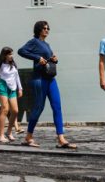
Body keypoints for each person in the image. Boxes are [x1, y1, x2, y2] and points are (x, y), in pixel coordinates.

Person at [18, 20, 76, 149]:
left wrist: (54, 59)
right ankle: (28, 137)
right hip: (39, 79)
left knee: (57, 107)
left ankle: (61, 139)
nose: (47, 30)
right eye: (45, 28)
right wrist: (37, 58)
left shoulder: (47, 44)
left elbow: (47, 60)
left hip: (50, 79)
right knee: (38, 108)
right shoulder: (34, 42)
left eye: (48, 28)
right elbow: (21, 51)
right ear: (39, 29)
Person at [0, 47, 23, 143]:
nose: (11, 56)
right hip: (3, 86)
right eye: (9, 54)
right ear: (5, 55)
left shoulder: (13, 64)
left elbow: (17, 76)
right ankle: (1, 135)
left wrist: (20, 88)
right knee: (5, 109)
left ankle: (9, 132)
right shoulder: (0, 65)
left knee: (15, 111)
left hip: (13, 88)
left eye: (12, 54)